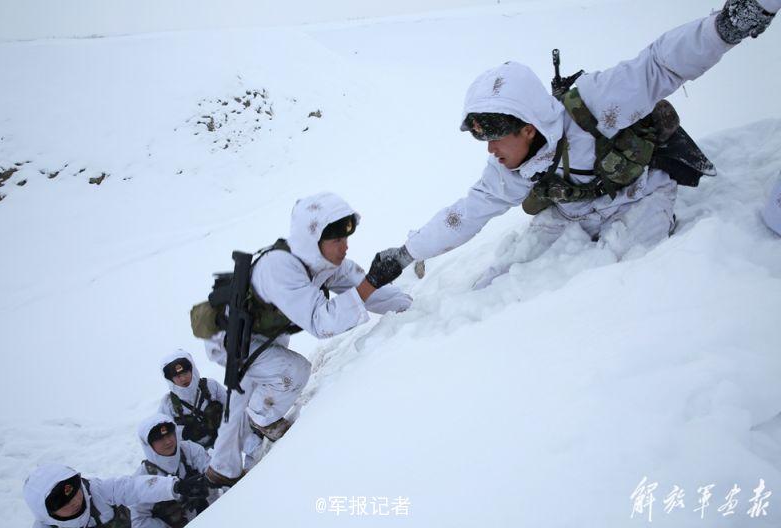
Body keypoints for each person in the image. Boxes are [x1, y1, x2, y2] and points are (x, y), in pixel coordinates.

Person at [371, 0, 780, 288]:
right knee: (499, 282)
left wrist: (725, 27)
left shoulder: (596, 103)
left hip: (639, 196)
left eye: (495, 139)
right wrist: (405, 254)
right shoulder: (508, 171)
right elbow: (464, 215)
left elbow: (659, 64)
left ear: (528, 128)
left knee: (626, 274)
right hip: (572, 215)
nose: (490, 151)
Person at [200, 191, 412, 486]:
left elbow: (367, 292)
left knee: (245, 390)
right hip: (231, 337)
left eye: (346, 238)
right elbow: (321, 322)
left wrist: (410, 307)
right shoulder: (280, 267)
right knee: (290, 373)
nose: (345, 246)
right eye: (336, 240)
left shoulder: (326, 263)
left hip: (264, 332)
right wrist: (371, 282)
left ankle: (221, 468)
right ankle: (261, 419)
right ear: (312, 238)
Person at [23, 463, 207, 528]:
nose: (75, 502)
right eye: (63, 503)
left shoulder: (96, 491)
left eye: (74, 492)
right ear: (46, 514)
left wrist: (174, 486)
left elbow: (133, 487)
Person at [130, 414, 216, 528]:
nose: (168, 441)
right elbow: (138, 521)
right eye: (160, 439)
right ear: (148, 445)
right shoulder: (142, 479)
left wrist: (215, 508)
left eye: (170, 434)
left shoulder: (190, 450)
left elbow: (215, 474)